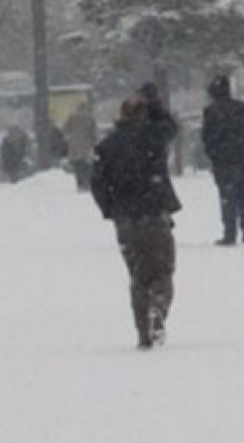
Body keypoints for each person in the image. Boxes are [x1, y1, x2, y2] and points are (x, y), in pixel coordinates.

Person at [91, 95, 179, 351]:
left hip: (125, 218)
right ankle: (158, 308)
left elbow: (97, 183)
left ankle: (143, 330)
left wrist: (111, 208)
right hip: (154, 214)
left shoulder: (107, 146)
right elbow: (171, 128)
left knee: (138, 274)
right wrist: (158, 107)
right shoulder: (154, 140)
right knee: (163, 270)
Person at [201, 75, 244, 246]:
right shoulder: (241, 108)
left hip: (222, 158)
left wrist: (212, 153)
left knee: (226, 195)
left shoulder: (211, 112)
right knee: (242, 192)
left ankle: (229, 230)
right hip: (240, 154)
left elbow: (207, 136)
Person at [62, 103, 98, 193]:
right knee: (86, 166)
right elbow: (94, 133)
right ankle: (87, 184)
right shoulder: (90, 118)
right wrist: (94, 144)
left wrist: (70, 138)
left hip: (74, 147)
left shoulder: (72, 118)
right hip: (87, 147)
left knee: (78, 167)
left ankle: (80, 184)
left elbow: (65, 130)